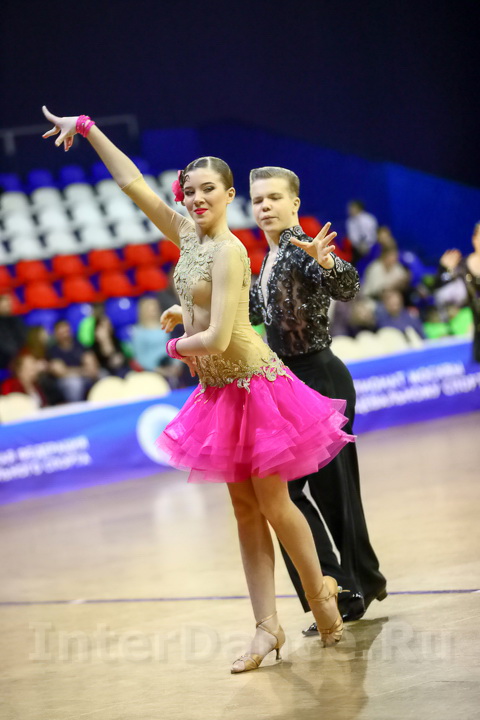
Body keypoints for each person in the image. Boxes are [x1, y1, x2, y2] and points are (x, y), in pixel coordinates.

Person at [43, 106, 355, 673]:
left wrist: (175, 345)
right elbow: (132, 184)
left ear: (230, 194)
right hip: (219, 391)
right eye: (189, 191)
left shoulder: (231, 249)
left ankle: (321, 597)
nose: (196, 198)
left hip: (253, 383)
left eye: (208, 189)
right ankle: (266, 627)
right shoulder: (187, 234)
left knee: (274, 504)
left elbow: (216, 337)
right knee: (243, 510)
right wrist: (88, 129)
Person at [248, 166, 387, 631]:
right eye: (258, 200)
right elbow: (254, 312)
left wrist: (329, 265)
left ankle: (350, 588)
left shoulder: (302, 249)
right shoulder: (267, 258)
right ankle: (343, 583)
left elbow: (347, 287)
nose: (265, 206)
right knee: (282, 496)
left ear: (294, 204)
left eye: (274, 197)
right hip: (289, 385)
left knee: (333, 493)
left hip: (321, 381)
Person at [436, 222, 480, 361]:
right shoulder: (460, 267)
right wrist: (445, 270)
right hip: (472, 330)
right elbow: (441, 295)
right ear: (474, 239)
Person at [46, 319, 100, 402]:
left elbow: (92, 366)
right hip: (63, 381)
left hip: (84, 377)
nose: (65, 335)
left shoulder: (80, 345)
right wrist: (83, 371)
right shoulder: (53, 351)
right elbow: (60, 372)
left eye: (66, 331)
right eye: (61, 333)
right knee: (74, 383)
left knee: (103, 374)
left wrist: (70, 370)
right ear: (56, 334)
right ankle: (77, 408)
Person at [131, 296, 182, 384]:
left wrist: (177, 364)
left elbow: (175, 344)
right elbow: (140, 357)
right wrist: (158, 370)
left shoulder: (167, 325)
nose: (153, 310)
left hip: (172, 366)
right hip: (152, 374)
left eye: (154, 307)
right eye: (149, 308)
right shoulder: (138, 332)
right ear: (143, 311)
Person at [0, 293, 27, 370]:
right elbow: (3, 344)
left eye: (8, 305)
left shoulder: (17, 320)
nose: (6, 307)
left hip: (18, 356)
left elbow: (23, 337)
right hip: (4, 359)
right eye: (4, 305)